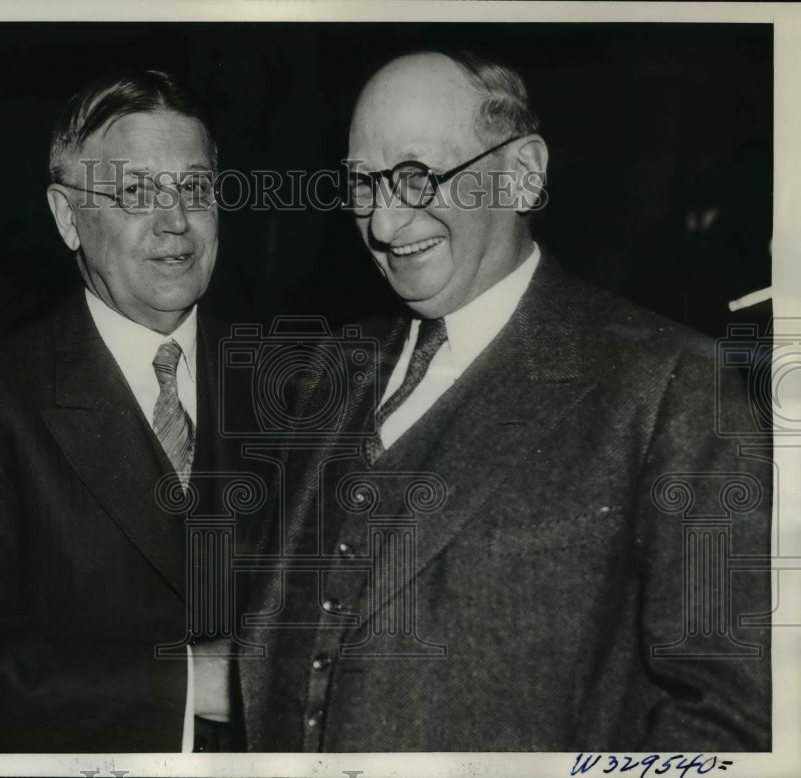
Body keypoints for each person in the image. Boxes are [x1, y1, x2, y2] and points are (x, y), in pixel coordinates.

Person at [237, 50, 772, 751]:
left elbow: (733, 722)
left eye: (417, 177)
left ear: (522, 175)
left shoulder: (670, 387)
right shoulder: (327, 373)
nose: (384, 226)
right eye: (363, 185)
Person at [0, 70, 248, 752]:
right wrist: (204, 682)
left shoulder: (291, 382)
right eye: (134, 193)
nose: (175, 223)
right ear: (69, 218)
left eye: (195, 188)